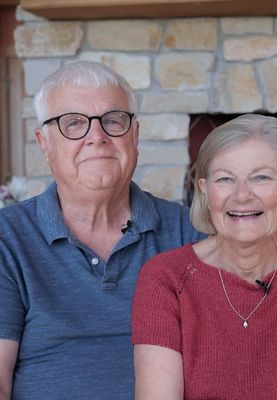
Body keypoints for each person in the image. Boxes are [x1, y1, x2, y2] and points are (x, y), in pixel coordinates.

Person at [0, 61, 204, 400]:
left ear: (135, 135)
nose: (97, 137)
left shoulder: (189, 232)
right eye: (74, 123)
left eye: (113, 120)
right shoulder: (8, 239)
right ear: (44, 144)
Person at [132, 114, 277, 399]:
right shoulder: (166, 279)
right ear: (205, 191)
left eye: (261, 177)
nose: (242, 195)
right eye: (225, 179)